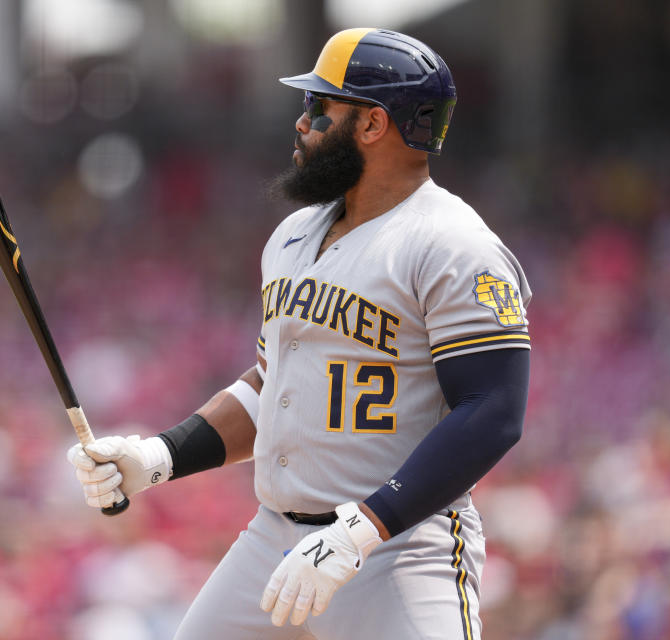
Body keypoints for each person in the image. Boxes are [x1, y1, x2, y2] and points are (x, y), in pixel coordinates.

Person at [67, 28, 531, 639]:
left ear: (372, 124)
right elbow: (270, 385)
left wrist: (360, 530)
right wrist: (159, 457)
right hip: (274, 536)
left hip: (397, 547)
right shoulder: (292, 237)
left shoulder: (454, 245)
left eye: (319, 107)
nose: (301, 123)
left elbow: (492, 410)